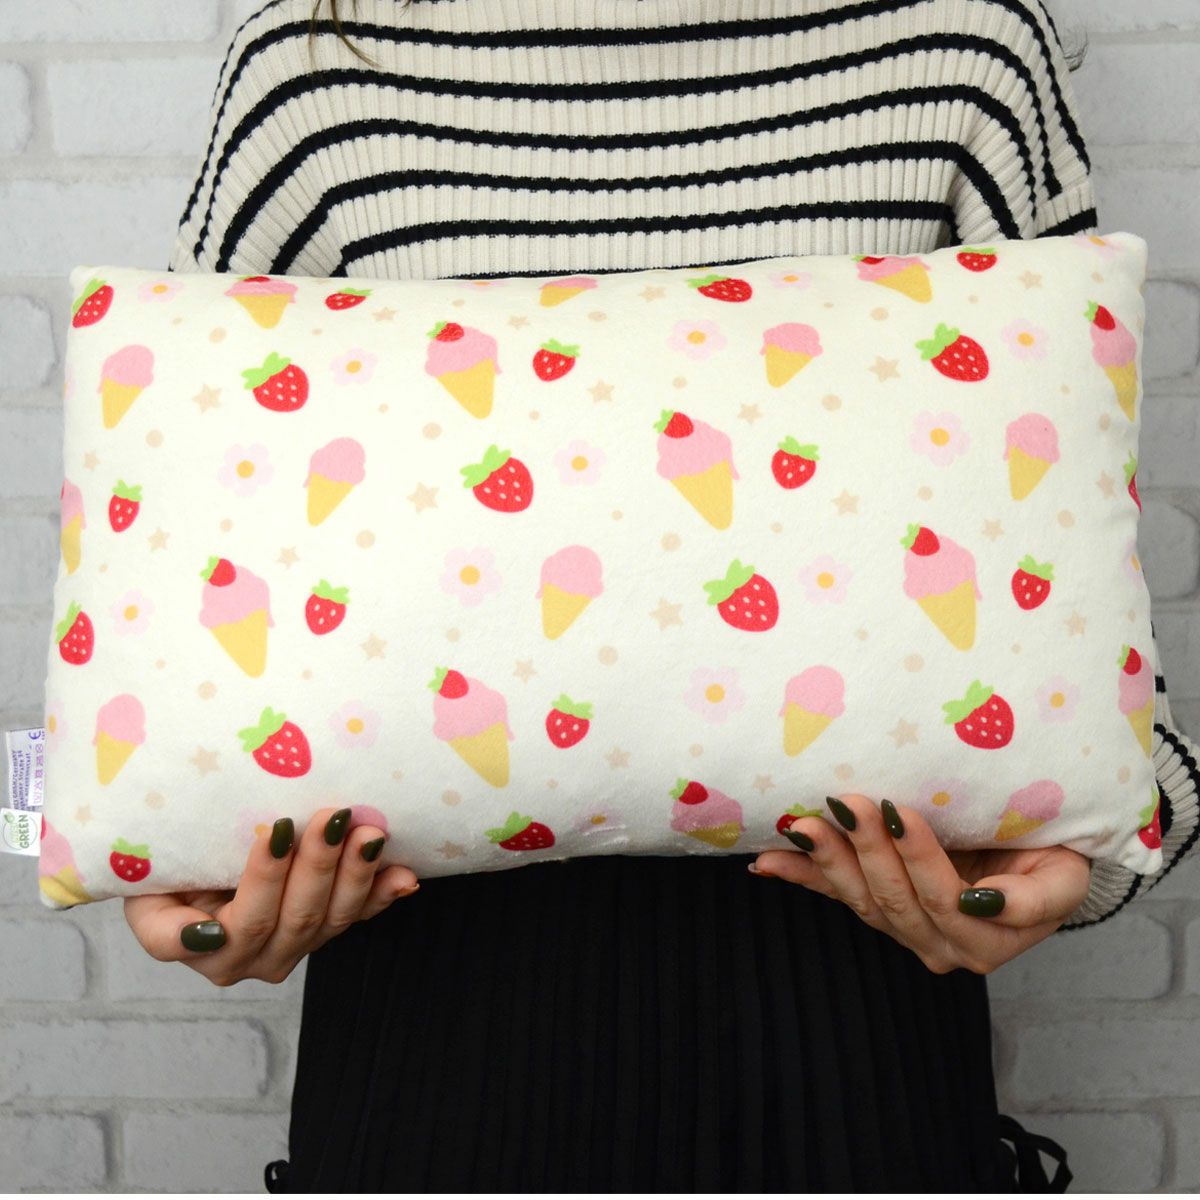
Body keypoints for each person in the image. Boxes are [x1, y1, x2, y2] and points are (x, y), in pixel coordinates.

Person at [124, 0, 1200, 1191]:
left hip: (856, 1041)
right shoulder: (315, 67)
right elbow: (173, 578)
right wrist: (145, 853)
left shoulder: (961, 49)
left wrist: (1085, 857)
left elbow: (1075, 605)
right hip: (433, 1043)